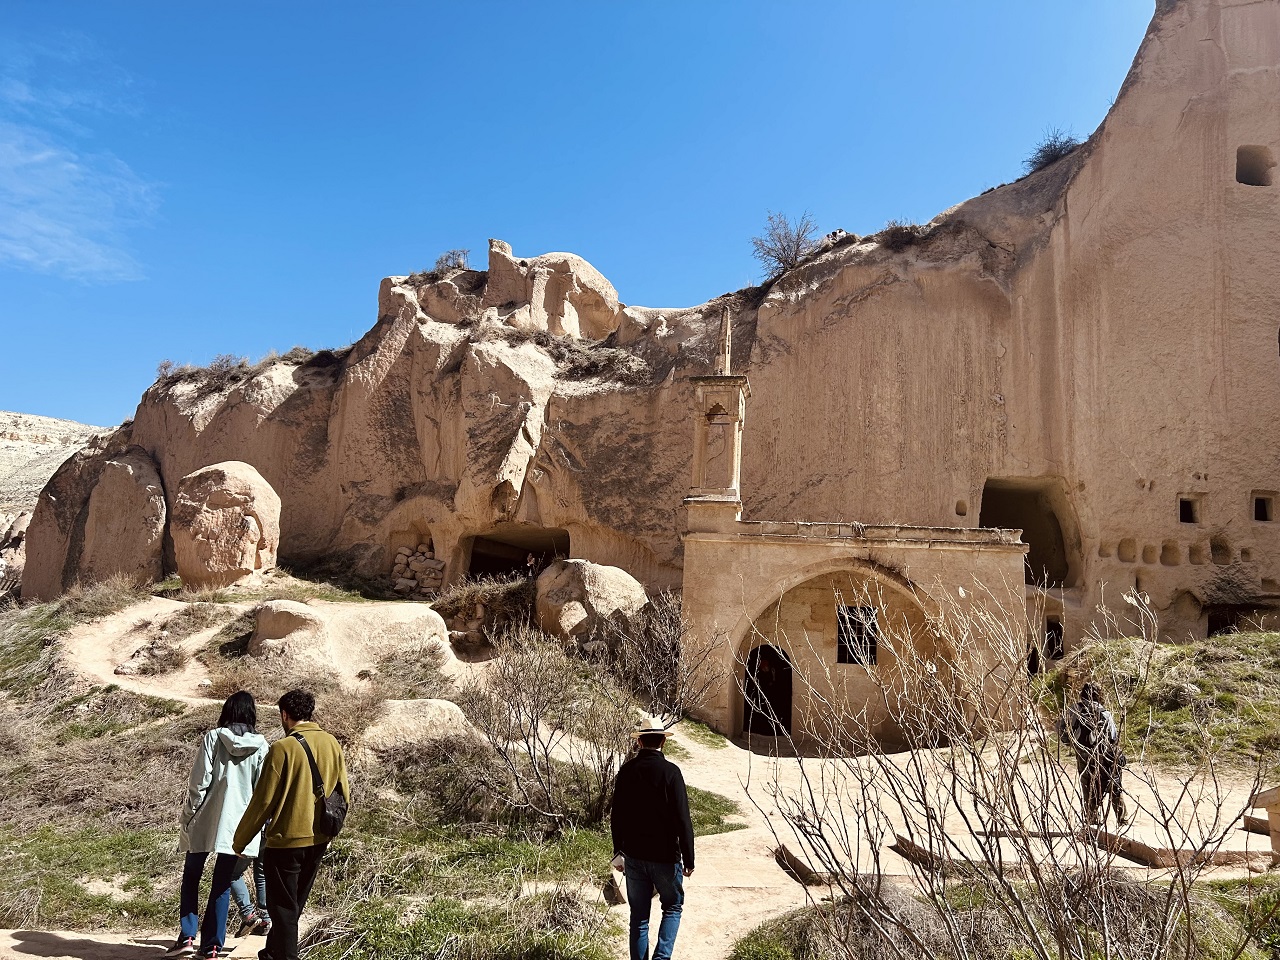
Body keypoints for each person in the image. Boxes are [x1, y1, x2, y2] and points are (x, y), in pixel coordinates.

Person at [234, 689, 351, 960]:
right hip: (319, 839)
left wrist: (241, 841)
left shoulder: (282, 748)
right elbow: (343, 791)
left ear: (285, 715)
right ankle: (272, 952)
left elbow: (263, 802)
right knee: (293, 906)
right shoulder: (331, 743)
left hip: (286, 841)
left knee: (283, 909)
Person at [167, 691, 269, 960]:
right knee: (222, 883)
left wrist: (188, 816)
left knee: (191, 876)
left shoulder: (213, 737)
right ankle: (212, 946)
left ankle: (187, 937)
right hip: (240, 826)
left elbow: (199, 782)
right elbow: (262, 792)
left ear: (227, 711)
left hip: (205, 818)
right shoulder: (262, 746)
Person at [610, 715, 695, 960]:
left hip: (634, 856)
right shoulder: (671, 773)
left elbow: (618, 816)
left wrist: (618, 851)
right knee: (672, 907)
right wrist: (689, 858)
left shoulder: (627, 771)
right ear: (663, 742)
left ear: (639, 742)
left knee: (638, 918)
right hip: (666, 857)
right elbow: (683, 819)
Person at [1061, 681, 1127, 825]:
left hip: (1083, 757)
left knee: (1088, 788)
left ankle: (1092, 822)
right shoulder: (1105, 713)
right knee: (1114, 786)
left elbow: (1063, 736)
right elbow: (1113, 737)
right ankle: (1122, 820)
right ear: (1099, 695)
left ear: (1082, 694)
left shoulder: (1073, 710)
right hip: (1105, 757)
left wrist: (1077, 744)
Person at [229, 853, 270, 937]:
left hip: (248, 845)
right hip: (266, 844)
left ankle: (248, 914)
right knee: (262, 875)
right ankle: (265, 919)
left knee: (233, 874)